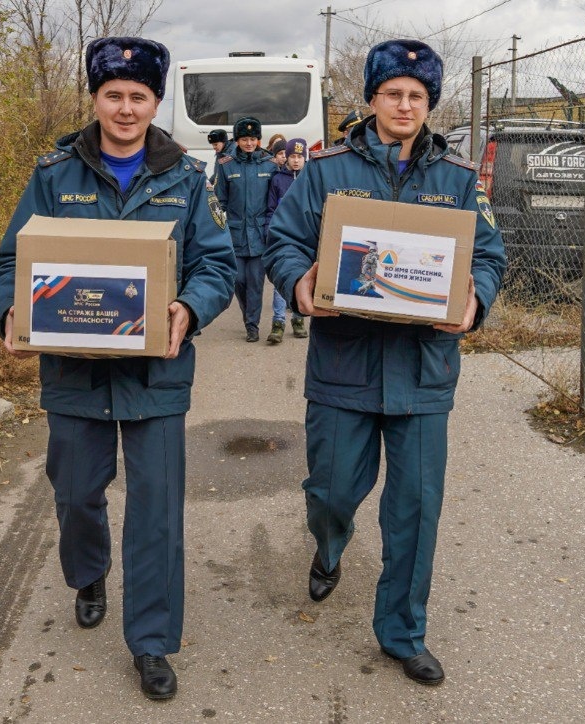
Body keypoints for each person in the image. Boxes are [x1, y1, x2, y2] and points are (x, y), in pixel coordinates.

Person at [0, 36, 236, 701]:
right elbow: (14, 259)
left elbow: (219, 263)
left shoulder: (187, 178)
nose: (126, 108)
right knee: (75, 493)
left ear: (155, 103)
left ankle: (152, 641)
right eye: (113, 95)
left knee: (156, 511)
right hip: (74, 374)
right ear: (96, 98)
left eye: (139, 97)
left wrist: (189, 308)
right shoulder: (54, 173)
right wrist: (12, 312)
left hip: (156, 378)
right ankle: (89, 570)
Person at [263, 39, 506, 686]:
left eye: (417, 96)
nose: (404, 105)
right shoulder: (324, 170)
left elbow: (489, 255)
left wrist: (476, 298)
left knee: (416, 509)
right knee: (333, 488)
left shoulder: (457, 179)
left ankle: (402, 632)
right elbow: (282, 240)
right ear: (372, 99)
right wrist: (298, 282)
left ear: (429, 104)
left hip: (423, 371)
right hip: (342, 367)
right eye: (393, 93)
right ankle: (329, 542)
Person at [213, 116, 277, 342]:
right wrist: (219, 229)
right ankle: (247, 313)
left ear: (258, 140)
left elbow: (275, 200)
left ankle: (253, 325)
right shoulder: (226, 164)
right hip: (235, 233)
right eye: (244, 139)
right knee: (238, 280)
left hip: (260, 235)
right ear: (237, 140)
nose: (249, 143)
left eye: (253, 139)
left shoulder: (270, 165)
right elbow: (219, 200)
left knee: (256, 282)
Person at [263, 137, 309, 342]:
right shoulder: (277, 180)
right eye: (292, 156)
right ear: (286, 158)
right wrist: (270, 232)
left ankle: (298, 319)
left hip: (306, 236)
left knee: (302, 278)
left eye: (300, 157)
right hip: (284, 235)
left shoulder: (310, 178)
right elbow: (271, 209)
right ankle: (278, 322)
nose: (296, 161)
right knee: (282, 279)